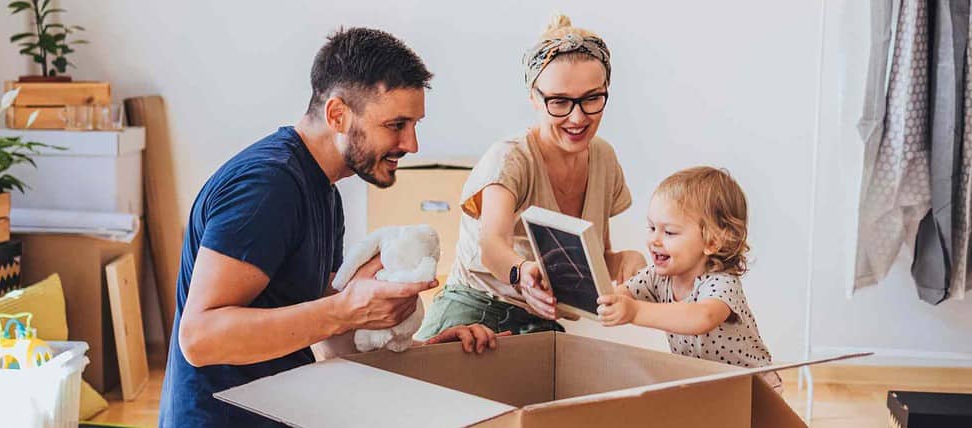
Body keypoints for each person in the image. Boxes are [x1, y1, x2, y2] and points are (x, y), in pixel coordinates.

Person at [159, 27, 503, 427]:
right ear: (338, 114)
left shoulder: (322, 188)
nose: (412, 144)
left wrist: (422, 350)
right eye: (396, 124)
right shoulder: (267, 187)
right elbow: (200, 338)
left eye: (414, 125)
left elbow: (325, 336)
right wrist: (345, 308)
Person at [415, 14, 646, 340]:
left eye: (592, 98)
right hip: (474, 309)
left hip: (536, 324)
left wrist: (627, 262)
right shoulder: (511, 158)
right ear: (534, 98)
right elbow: (492, 245)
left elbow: (596, 261)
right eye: (559, 102)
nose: (577, 117)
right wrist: (522, 273)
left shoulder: (604, 158)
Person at [597, 167, 781, 391]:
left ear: (712, 242)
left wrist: (634, 311)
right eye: (652, 227)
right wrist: (607, 301)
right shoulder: (657, 277)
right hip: (708, 388)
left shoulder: (722, 283)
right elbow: (618, 296)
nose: (654, 239)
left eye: (670, 232)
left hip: (755, 391)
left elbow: (701, 317)